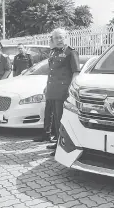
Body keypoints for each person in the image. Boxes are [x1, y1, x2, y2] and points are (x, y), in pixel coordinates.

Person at [34, 28, 80, 156]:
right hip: (52, 90)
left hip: (62, 91)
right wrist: (47, 87)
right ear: (53, 40)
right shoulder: (53, 52)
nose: (59, 40)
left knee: (61, 119)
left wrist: (71, 90)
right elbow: (52, 73)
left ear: (66, 37)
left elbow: (75, 73)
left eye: (61, 37)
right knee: (55, 119)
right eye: (56, 38)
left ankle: (61, 147)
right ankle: (57, 142)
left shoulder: (71, 52)